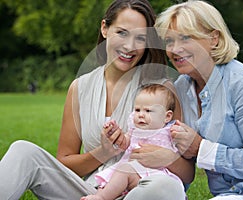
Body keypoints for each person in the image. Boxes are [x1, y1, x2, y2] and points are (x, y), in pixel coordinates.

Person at [0, 0, 194, 199]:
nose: (129, 46)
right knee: (22, 151)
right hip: (91, 192)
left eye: (140, 38)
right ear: (104, 28)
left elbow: (188, 173)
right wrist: (103, 152)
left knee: (164, 186)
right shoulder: (80, 88)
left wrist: (166, 158)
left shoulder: (161, 90)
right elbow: (65, 164)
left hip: (139, 190)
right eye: (122, 33)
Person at [155, 1, 243, 200]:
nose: (175, 48)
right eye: (169, 41)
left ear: (214, 39)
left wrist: (201, 148)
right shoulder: (180, 87)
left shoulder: (242, 82)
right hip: (233, 192)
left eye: (186, 38)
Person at [81, 84, 185, 200]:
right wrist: (115, 134)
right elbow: (125, 143)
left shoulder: (170, 132)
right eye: (137, 110)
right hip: (132, 172)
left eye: (148, 111)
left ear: (167, 117)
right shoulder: (135, 130)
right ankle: (101, 197)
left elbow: (181, 153)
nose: (141, 114)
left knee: (126, 172)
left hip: (155, 175)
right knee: (112, 177)